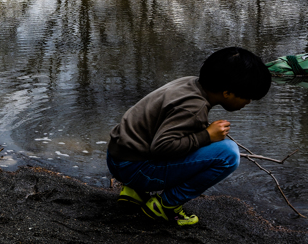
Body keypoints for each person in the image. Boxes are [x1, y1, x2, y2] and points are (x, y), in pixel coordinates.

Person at [106, 47, 271, 227]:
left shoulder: (188, 83)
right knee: (228, 154)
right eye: (248, 98)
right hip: (134, 169)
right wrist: (206, 136)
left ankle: (134, 192)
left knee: (193, 142)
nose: (248, 103)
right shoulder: (194, 107)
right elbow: (161, 147)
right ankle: (166, 205)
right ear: (227, 93)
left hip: (118, 158)